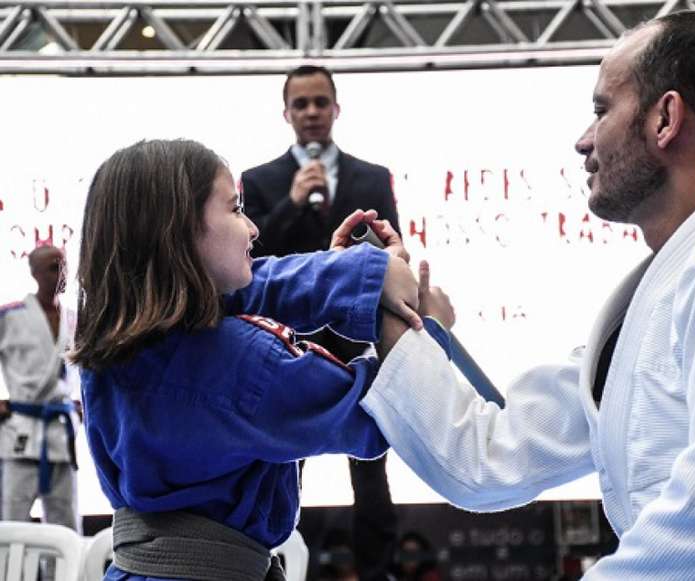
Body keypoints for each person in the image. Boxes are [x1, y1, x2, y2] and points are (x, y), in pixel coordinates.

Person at [359, 10, 695, 579]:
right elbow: (486, 459)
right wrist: (397, 317)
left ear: (666, 119)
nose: (584, 141)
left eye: (602, 109)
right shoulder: (643, 306)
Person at [71, 138, 450, 581]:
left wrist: (360, 276)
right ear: (180, 231)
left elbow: (257, 287)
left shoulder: (113, 342)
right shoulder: (244, 366)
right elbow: (382, 412)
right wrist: (425, 329)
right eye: (234, 210)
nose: (252, 229)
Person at [241, 64, 401, 581]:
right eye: (301, 104)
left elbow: (389, 255)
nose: (311, 113)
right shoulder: (259, 181)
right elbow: (248, 256)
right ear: (286, 113)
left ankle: (379, 572)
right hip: (286, 344)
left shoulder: (371, 178)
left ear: (336, 108)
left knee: (372, 469)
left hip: (356, 340)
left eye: (320, 102)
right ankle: (281, 567)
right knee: (286, 467)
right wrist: (290, 203)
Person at [0, 245, 80, 533]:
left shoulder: (74, 318)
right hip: (20, 430)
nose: (61, 273)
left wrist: (79, 403)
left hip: (60, 431)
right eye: (52, 267)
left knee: (67, 525)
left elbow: (90, 369)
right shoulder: (9, 317)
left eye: (63, 266)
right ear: (34, 273)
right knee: (10, 524)